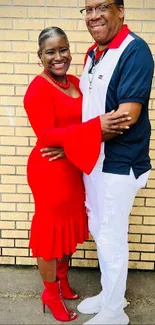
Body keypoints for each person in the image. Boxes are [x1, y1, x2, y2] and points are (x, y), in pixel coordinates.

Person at [23, 26, 130, 322]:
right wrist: (94, 129)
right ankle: (50, 292)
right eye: (50, 52)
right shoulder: (37, 89)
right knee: (50, 235)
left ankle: (62, 280)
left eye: (63, 50)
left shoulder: (75, 81)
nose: (59, 57)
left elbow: (85, 119)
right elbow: (47, 135)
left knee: (68, 230)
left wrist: (72, 145)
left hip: (72, 166)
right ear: (40, 56)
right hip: (49, 170)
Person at [76, 0, 154, 324]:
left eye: (102, 6)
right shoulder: (92, 54)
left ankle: (114, 312)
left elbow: (126, 117)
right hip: (93, 160)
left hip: (119, 164)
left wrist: (78, 137)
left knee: (111, 235)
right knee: (99, 229)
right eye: (88, 9)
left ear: (120, 10)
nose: (94, 15)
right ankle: (111, 294)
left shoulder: (135, 51)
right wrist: (80, 138)